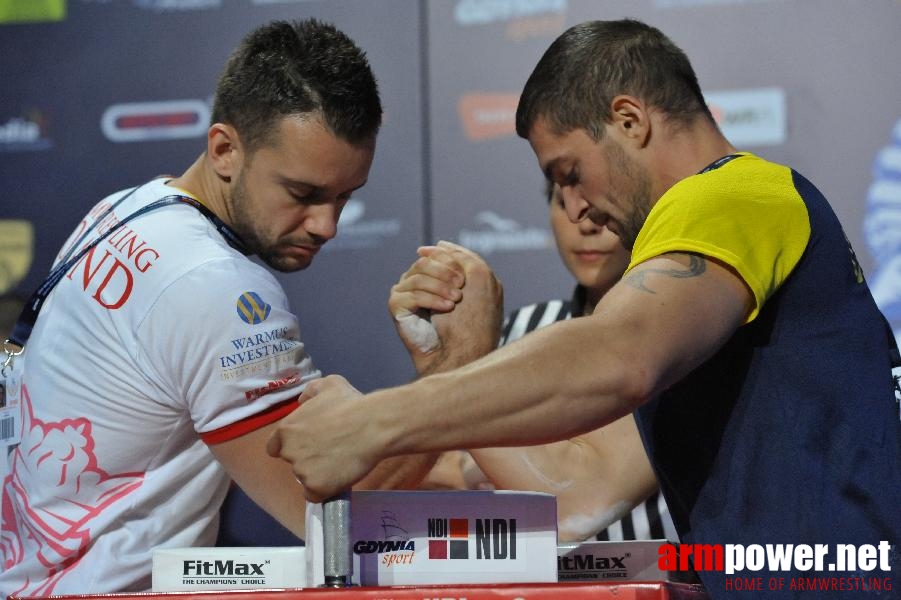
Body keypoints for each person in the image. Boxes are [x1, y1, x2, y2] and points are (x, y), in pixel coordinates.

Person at [267, 19, 901, 597]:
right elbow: (580, 490)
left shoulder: (732, 192)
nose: (573, 206)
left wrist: (373, 421)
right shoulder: (704, 298)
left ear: (629, 120)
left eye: (569, 171)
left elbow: (619, 353)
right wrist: (458, 363)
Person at [0, 19, 482, 596]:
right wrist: (458, 363)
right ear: (225, 149)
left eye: (344, 197)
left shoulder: (129, 208)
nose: (327, 225)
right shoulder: (215, 286)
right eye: (303, 195)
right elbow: (339, 521)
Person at [454, 180, 677, 543]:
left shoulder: (686, 334)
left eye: (601, 202)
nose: (586, 223)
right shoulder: (518, 332)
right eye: (563, 202)